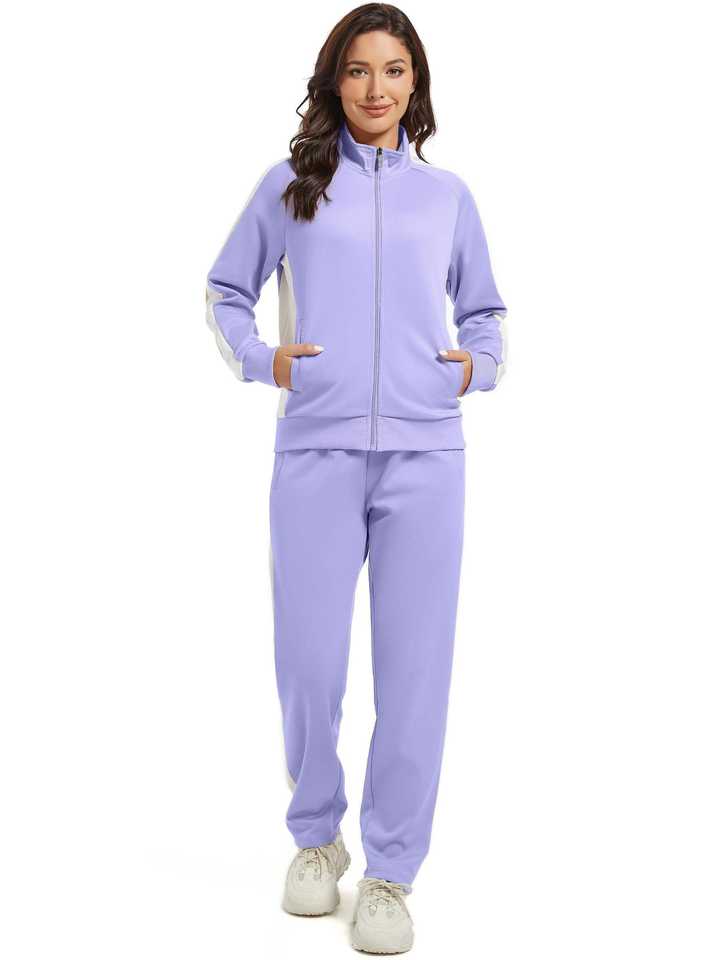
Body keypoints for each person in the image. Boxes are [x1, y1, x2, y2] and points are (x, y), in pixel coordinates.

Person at [205, 4, 508, 953]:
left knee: (415, 673)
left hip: (427, 458)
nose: (376, 87)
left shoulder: (447, 197)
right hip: (316, 453)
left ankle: (389, 873)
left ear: (416, 84)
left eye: (394, 69)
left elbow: (487, 311)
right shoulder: (291, 186)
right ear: (334, 80)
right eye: (358, 69)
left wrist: (474, 368)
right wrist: (264, 360)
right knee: (310, 664)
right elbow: (225, 290)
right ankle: (316, 839)